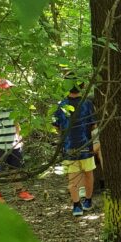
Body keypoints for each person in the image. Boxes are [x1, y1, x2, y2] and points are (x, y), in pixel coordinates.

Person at [0, 78, 34, 203]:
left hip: (13, 145)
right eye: (4, 90)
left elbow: (16, 124)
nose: (7, 92)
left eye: (8, 90)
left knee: (16, 168)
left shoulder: (12, 107)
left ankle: (20, 191)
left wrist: (19, 138)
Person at [53, 81, 96, 217]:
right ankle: (87, 201)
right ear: (82, 86)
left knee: (73, 177)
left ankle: (77, 205)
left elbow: (56, 126)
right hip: (86, 145)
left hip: (68, 146)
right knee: (88, 173)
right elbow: (94, 124)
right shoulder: (87, 103)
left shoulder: (61, 105)